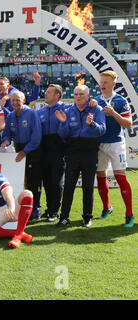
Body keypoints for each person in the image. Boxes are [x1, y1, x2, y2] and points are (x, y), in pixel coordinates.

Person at [55, 85, 106, 227]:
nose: (78, 97)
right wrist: (64, 123)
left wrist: (92, 124)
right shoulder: (67, 110)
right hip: (72, 151)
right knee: (69, 186)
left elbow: (102, 130)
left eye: (81, 94)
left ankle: (87, 217)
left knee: (88, 186)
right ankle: (64, 217)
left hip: (90, 151)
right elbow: (62, 134)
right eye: (76, 94)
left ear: (88, 95)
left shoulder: (97, 109)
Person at [94, 71, 134, 227]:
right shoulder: (96, 101)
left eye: (106, 82)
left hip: (116, 143)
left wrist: (113, 113)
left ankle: (129, 214)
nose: (102, 85)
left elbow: (128, 124)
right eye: (101, 82)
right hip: (99, 143)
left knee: (120, 178)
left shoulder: (120, 100)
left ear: (113, 84)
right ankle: (106, 207)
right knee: (100, 177)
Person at [1, 91, 42, 219]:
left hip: (32, 150)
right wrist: (6, 140)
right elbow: (7, 133)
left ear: (24, 100)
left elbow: (36, 137)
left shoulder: (32, 113)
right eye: (12, 100)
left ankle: (36, 209)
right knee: (19, 180)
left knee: (33, 181)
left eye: (17, 100)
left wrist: (25, 151)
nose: (15, 102)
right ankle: (22, 207)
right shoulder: (10, 116)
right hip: (18, 149)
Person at [36, 84, 67, 222]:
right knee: (47, 182)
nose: (45, 93)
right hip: (44, 149)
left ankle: (54, 211)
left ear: (57, 95)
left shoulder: (66, 108)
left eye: (49, 92)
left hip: (59, 149)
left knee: (56, 181)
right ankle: (49, 209)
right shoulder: (40, 111)